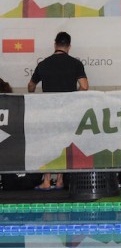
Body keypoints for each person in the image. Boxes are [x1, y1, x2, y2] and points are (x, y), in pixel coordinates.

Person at [28, 31, 89, 190]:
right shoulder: (75, 64)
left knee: (47, 144)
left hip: (48, 111)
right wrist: (72, 96)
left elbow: (31, 85)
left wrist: (33, 97)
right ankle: (60, 180)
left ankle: (47, 181)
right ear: (69, 46)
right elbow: (84, 86)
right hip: (68, 111)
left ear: (55, 44)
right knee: (64, 144)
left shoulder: (43, 64)